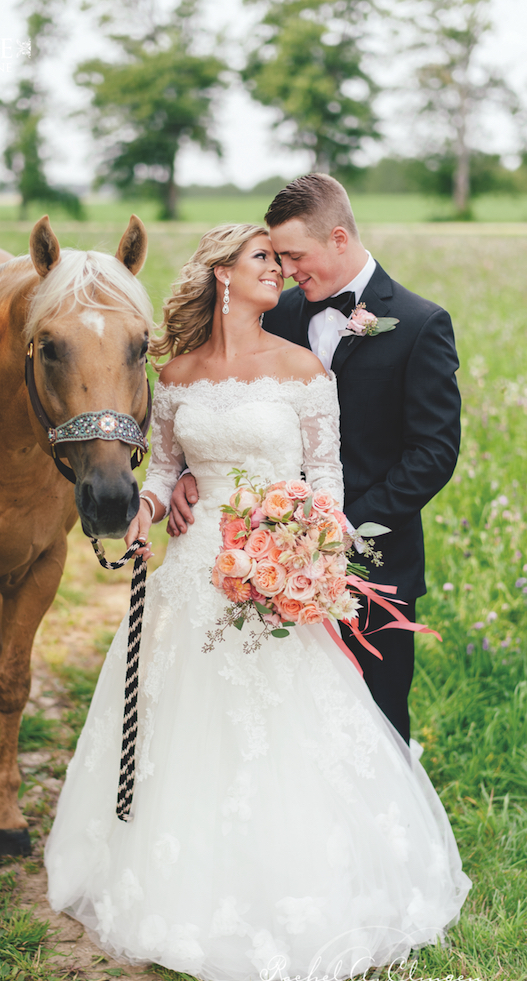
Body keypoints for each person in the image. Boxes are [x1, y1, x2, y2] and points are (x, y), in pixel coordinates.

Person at [45, 223, 470, 981]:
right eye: (262, 259)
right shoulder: (173, 376)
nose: (278, 268)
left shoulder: (305, 369)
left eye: (280, 256)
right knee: (183, 725)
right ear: (221, 278)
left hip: (275, 576)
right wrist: (146, 508)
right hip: (194, 570)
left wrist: (307, 552)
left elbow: (326, 480)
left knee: (283, 726)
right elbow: (164, 466)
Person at [167, 175, 461, 745]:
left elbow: (433, 453)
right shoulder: (274, 311)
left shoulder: (421, 325)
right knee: (270, 727)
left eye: (295, 256)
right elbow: (225, 405)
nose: (286, 270)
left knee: (374, 727)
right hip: (252, 565)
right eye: (276, 257)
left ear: (339, 239)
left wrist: (334, 530)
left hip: (371, 565)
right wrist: (189, 473)